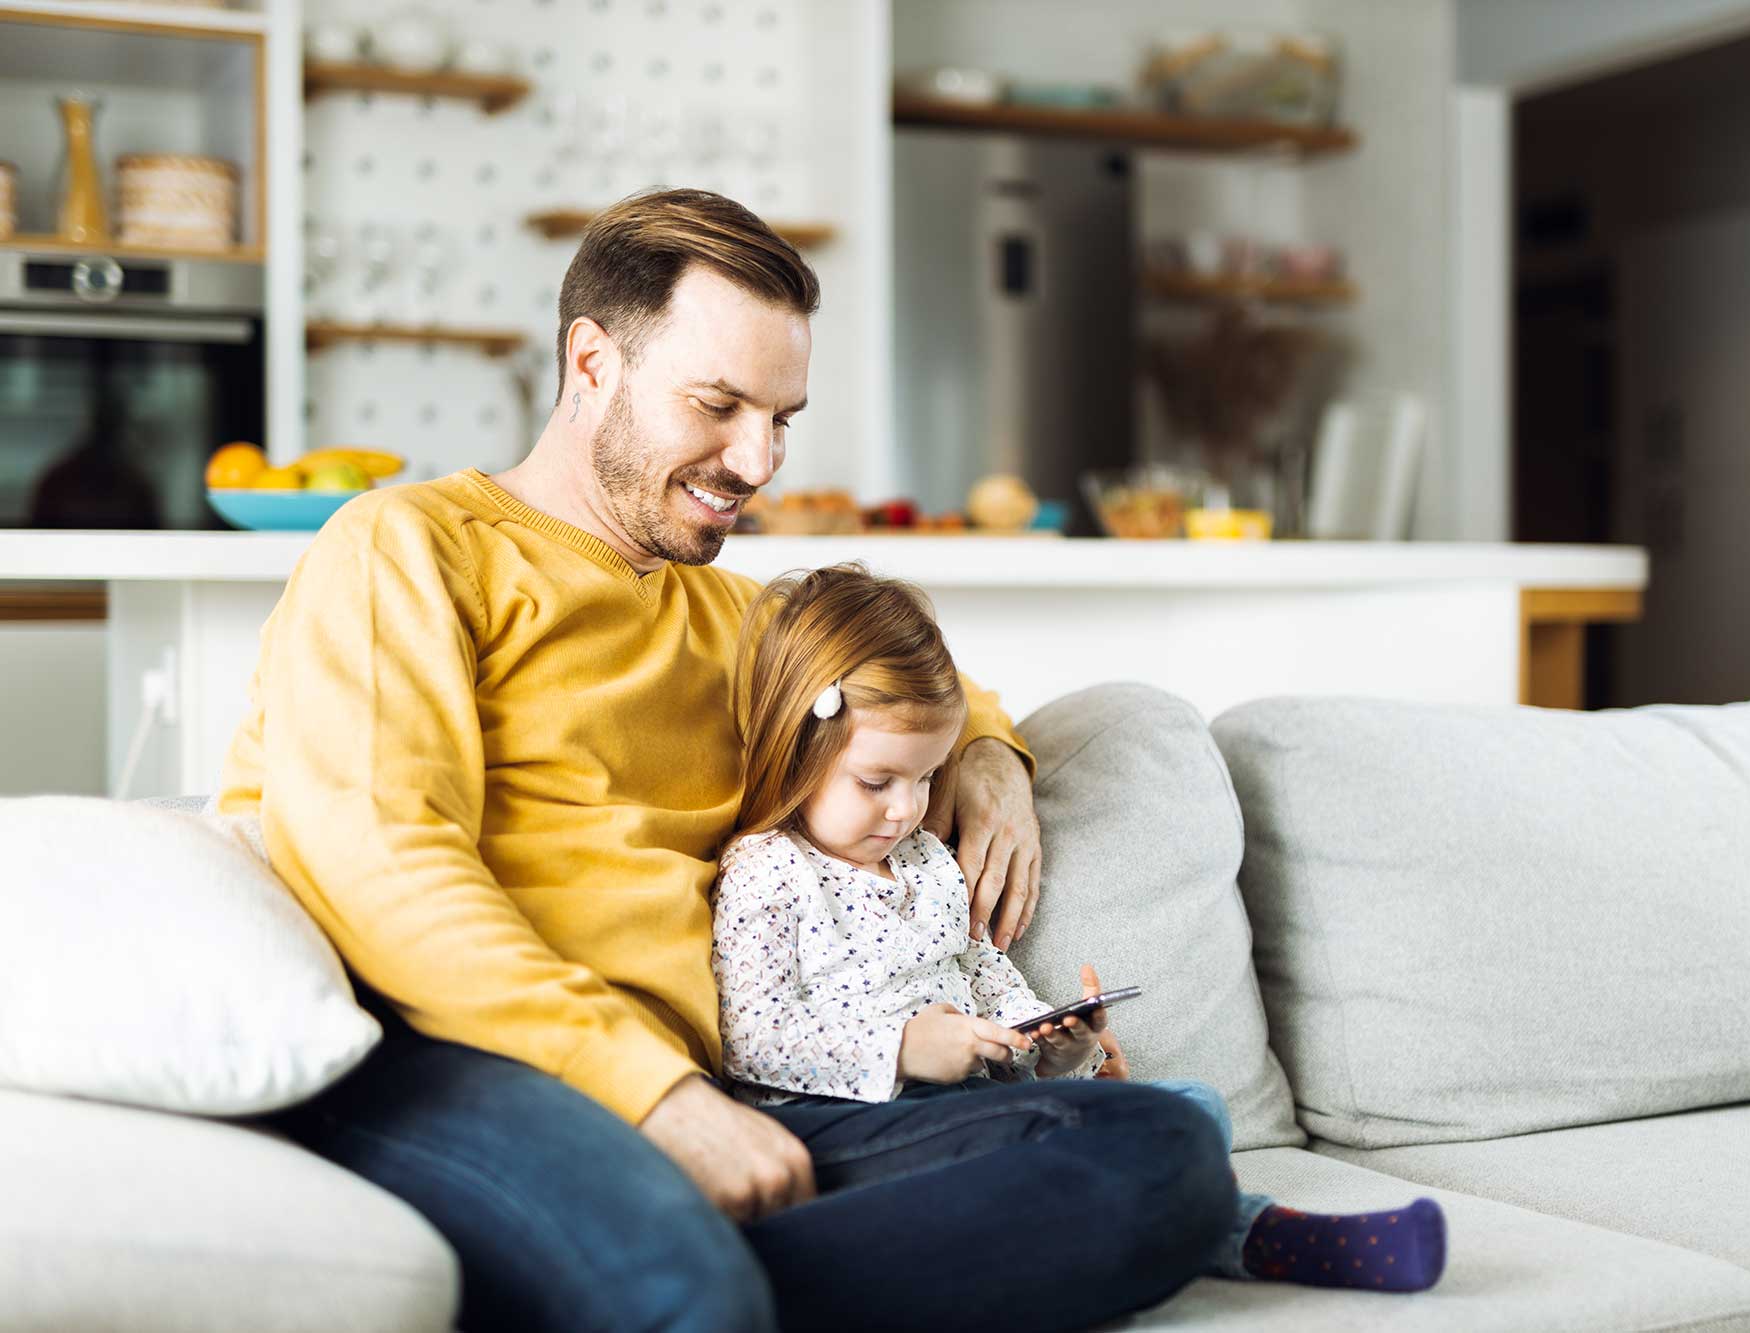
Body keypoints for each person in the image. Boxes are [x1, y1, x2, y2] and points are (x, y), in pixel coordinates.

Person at [217, 188, 1237, 1332]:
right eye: (718, 405)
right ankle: (689, 1293)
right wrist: (649, 1095)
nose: (756, 458)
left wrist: (996, 755)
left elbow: (905, 684)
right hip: (455, 1060)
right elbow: (379, 863)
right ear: (591, 362)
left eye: (781, 417)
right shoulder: (405, 550)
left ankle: (688, 1297)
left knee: (1164, 1148)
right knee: (684, 1290)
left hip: (730, 1086)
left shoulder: (730, 617)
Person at [714, 563, 1448, 1295]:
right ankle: (1258, 1235)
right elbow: (753, 1040)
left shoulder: (929, 863)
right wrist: (906, 1048)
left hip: (974, 1106)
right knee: (1159, 1135)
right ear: (798, 746)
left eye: (929, 776)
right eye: (878, 782)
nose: (907, 808)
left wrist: (1048, 1038)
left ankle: (1222, 1226)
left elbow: (982, 970)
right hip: (850, 1121)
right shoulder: (768, 870)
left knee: (1192, 1105)